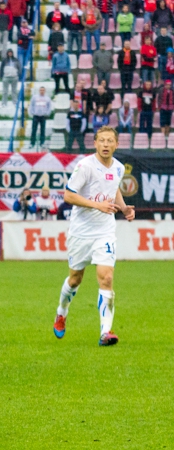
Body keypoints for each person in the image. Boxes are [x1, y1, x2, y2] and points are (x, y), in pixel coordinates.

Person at [53, 127, 134, 347]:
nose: (106, 144)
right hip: (80, 232)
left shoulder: (118, 167)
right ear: (95, 143)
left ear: (116, 144)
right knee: (75, 279)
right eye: (102, 141)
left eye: (110, 141)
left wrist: (124, 208)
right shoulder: (85, 166)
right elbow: (69, 195)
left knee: (106, 277)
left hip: (104, 231)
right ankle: (61, 312)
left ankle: (105, 332)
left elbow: (113, 188)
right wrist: (96, 204)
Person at [29, 86, 53, 150]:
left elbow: (49, 107)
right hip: (36, 116)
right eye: (40, 90)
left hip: (43, 116)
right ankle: (32, 143)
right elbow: (31, 105)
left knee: (43, 130)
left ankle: (42, 143)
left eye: (43, 90)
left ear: (45, 91)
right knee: (34, 130)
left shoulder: (47, 98)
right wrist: (32, 112)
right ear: (39, 91)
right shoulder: (34, 97)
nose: (42, 91)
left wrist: (47, 113)